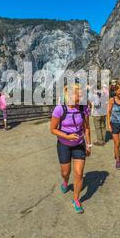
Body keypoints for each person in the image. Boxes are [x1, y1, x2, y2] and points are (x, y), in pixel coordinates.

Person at [50, 83, 91, 214]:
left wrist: (89, 145)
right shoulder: (60, 109)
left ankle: (76, 200)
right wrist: (67, 137)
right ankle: (65, 181)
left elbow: (87, 128)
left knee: (79, 173)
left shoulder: (83, 108)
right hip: (64, 144)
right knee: (65, 172)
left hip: (79, 143)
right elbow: (52, 129)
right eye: (81, 94)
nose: (83, 96)